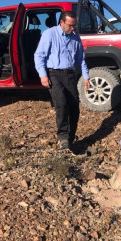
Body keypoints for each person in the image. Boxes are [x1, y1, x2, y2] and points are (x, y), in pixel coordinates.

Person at [34, 11, 90, 150]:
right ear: (62, 23)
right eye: (70, 26)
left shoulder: (76, 38)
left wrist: (86, 76)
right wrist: (43, 75)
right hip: (54, 74)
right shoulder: (50, 34)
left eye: (74, 26)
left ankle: (71, 137)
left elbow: (80, 59)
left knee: (74, 107)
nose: (72, 28)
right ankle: (63, 137)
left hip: (70, 75)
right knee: (61, 104)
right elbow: (39, 55)